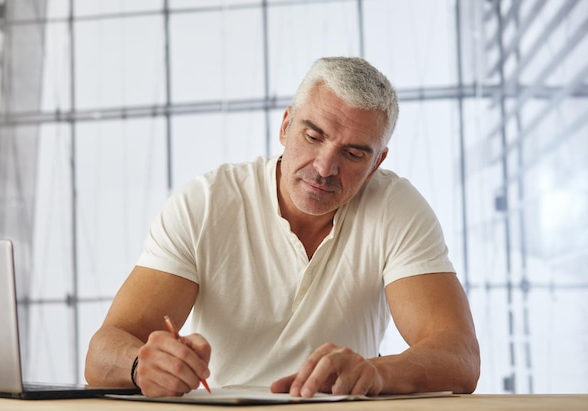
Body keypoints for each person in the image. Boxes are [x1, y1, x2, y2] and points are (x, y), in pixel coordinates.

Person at [84, 56, 480, 398]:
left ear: (377, 163)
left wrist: (377, 372)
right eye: (313, 136)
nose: (325, 167)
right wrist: (141, 365)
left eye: (354, 153)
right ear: (285, 126)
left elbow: (459, 354)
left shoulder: (397, 207)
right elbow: (102, 352)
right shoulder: (205, 203)